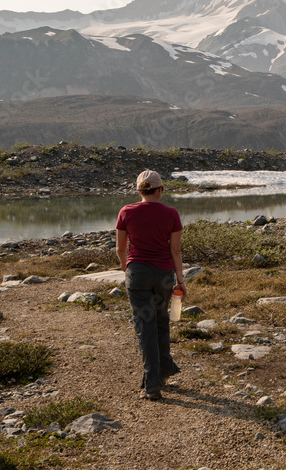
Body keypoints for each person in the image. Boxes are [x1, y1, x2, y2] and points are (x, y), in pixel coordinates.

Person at [116, 170, 186, 401]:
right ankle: (163, 370)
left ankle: (153, 382)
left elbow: (120, 249)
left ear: (138, 190)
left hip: (138, 273)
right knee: (161, 319)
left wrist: (126, 268)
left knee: (144, 325)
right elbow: (175, 251)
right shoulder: (171, 213)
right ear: (160, 190)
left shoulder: (126, 212)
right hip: (164, 275)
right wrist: (180, 280)